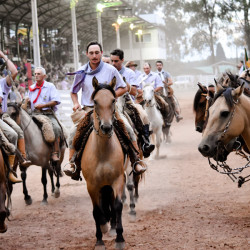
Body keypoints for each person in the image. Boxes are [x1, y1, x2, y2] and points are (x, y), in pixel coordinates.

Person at [64, 41, 146, 180]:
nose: (94, 55)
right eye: (91, 53)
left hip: (110, 110)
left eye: (97, 53)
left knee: (128, 128)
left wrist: (109, 97)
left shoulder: (110, 70)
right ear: (87, 54)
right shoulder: (82, 72)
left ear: (101, 53)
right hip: (89, 110)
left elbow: (124, 87)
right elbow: (73, 92)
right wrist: (76, 103)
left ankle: (136, 160)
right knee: (72, 134)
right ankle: (73, 164)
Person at [110, 49, 155, 158]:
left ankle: (145, 143)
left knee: (143, 115)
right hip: (110, 103)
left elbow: (134, 92)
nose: (113, 63)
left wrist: (126, 85)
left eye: (116, 61)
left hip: (127, 101)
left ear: (122, 60)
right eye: (112, 61)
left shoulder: (129, 73)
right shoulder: (108, 71)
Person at [0, 50, 31, 183]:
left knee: (14, 134)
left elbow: (14, 72)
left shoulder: (2, 83)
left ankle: (11, 169)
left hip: (2, 116)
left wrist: (3, 56)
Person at [28, 66, 62, 162]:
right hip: (34, 114)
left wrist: (43, 106)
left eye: (38, 74)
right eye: (35, 74)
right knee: (24, 126)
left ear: (44, 76)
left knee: (56, 128)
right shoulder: (31, 88)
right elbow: (28, 101)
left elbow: (56, 101)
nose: (36, 76)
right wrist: (25, 102)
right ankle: (25, 152)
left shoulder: (50, 86)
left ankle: (55, 152)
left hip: (48, 114)